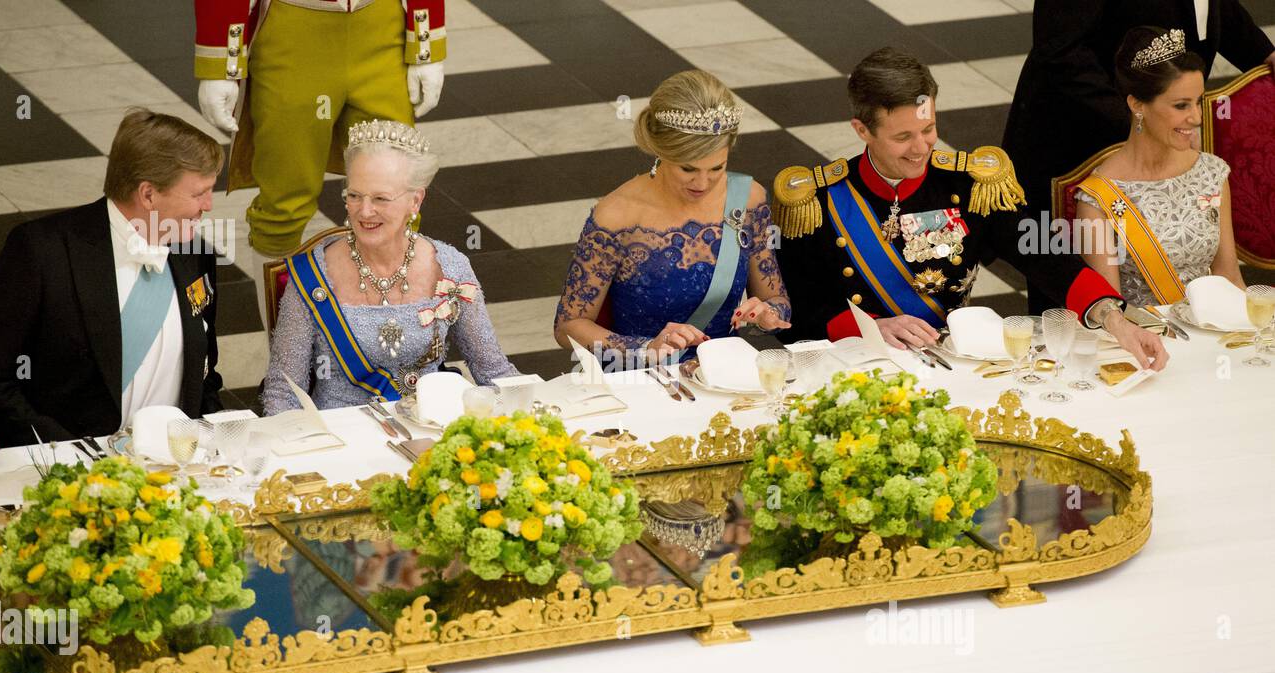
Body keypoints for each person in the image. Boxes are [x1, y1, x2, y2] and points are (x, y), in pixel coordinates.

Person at [771, 47, 1170, 371]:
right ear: (862, 130)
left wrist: (1113, 318)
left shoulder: (971, 187)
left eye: (928, 130)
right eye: (903, 137)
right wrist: (873, 329)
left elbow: (1046, 255)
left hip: (952, 364)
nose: (921, 148)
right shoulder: (816, 203)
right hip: (857, 366)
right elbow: (798, 311)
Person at [0, 109, 225, 448]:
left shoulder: (192, 248)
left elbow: (205, 371)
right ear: (148, 194)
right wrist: (67, 455)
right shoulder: (41, 252)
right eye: (199, 194)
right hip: (68, 469)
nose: (208, 205)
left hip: (178, 464)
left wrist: (212, 441)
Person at [194, 0, 447, 323]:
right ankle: (287, 358)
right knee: (283, 205)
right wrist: (219, 59)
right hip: (292, 31)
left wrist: (426, 39)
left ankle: (393, 346)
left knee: (396, 196)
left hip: (383, 28)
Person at [261, 120, 517, 414]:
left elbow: (494, 372)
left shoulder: (451, 268)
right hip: (343, 444)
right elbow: (282, 395)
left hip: (432, 434)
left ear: (415, 200)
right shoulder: (313, 277)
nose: (364, 211)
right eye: (354, 195)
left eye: (380, 198)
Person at [553, 70, 790, 371]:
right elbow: (568, 326)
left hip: (723, 375)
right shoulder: (617, 216)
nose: (703, 183)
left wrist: (767, 313)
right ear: (660, 152)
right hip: (642, 379)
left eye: (717, 168)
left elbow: (776, 298)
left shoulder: (747, 198)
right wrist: (647, 348)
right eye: (688, 169)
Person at [1003, 0, 1275, 206]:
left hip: (1158, 134)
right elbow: (1060, 50)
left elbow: (1208, 7)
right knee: (1077, 271)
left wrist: (1264, 53)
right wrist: (1141, 123)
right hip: (1082, 136)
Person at [1075, 27, 1245, 305]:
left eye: (1198, 102)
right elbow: (1110, 311)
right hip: (1146, 341)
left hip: (1214, 334)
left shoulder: (1212, 173)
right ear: (1137, 105)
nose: (1196, 118)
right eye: (1181, 106)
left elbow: (1230, 277)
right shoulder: (1097, 199)